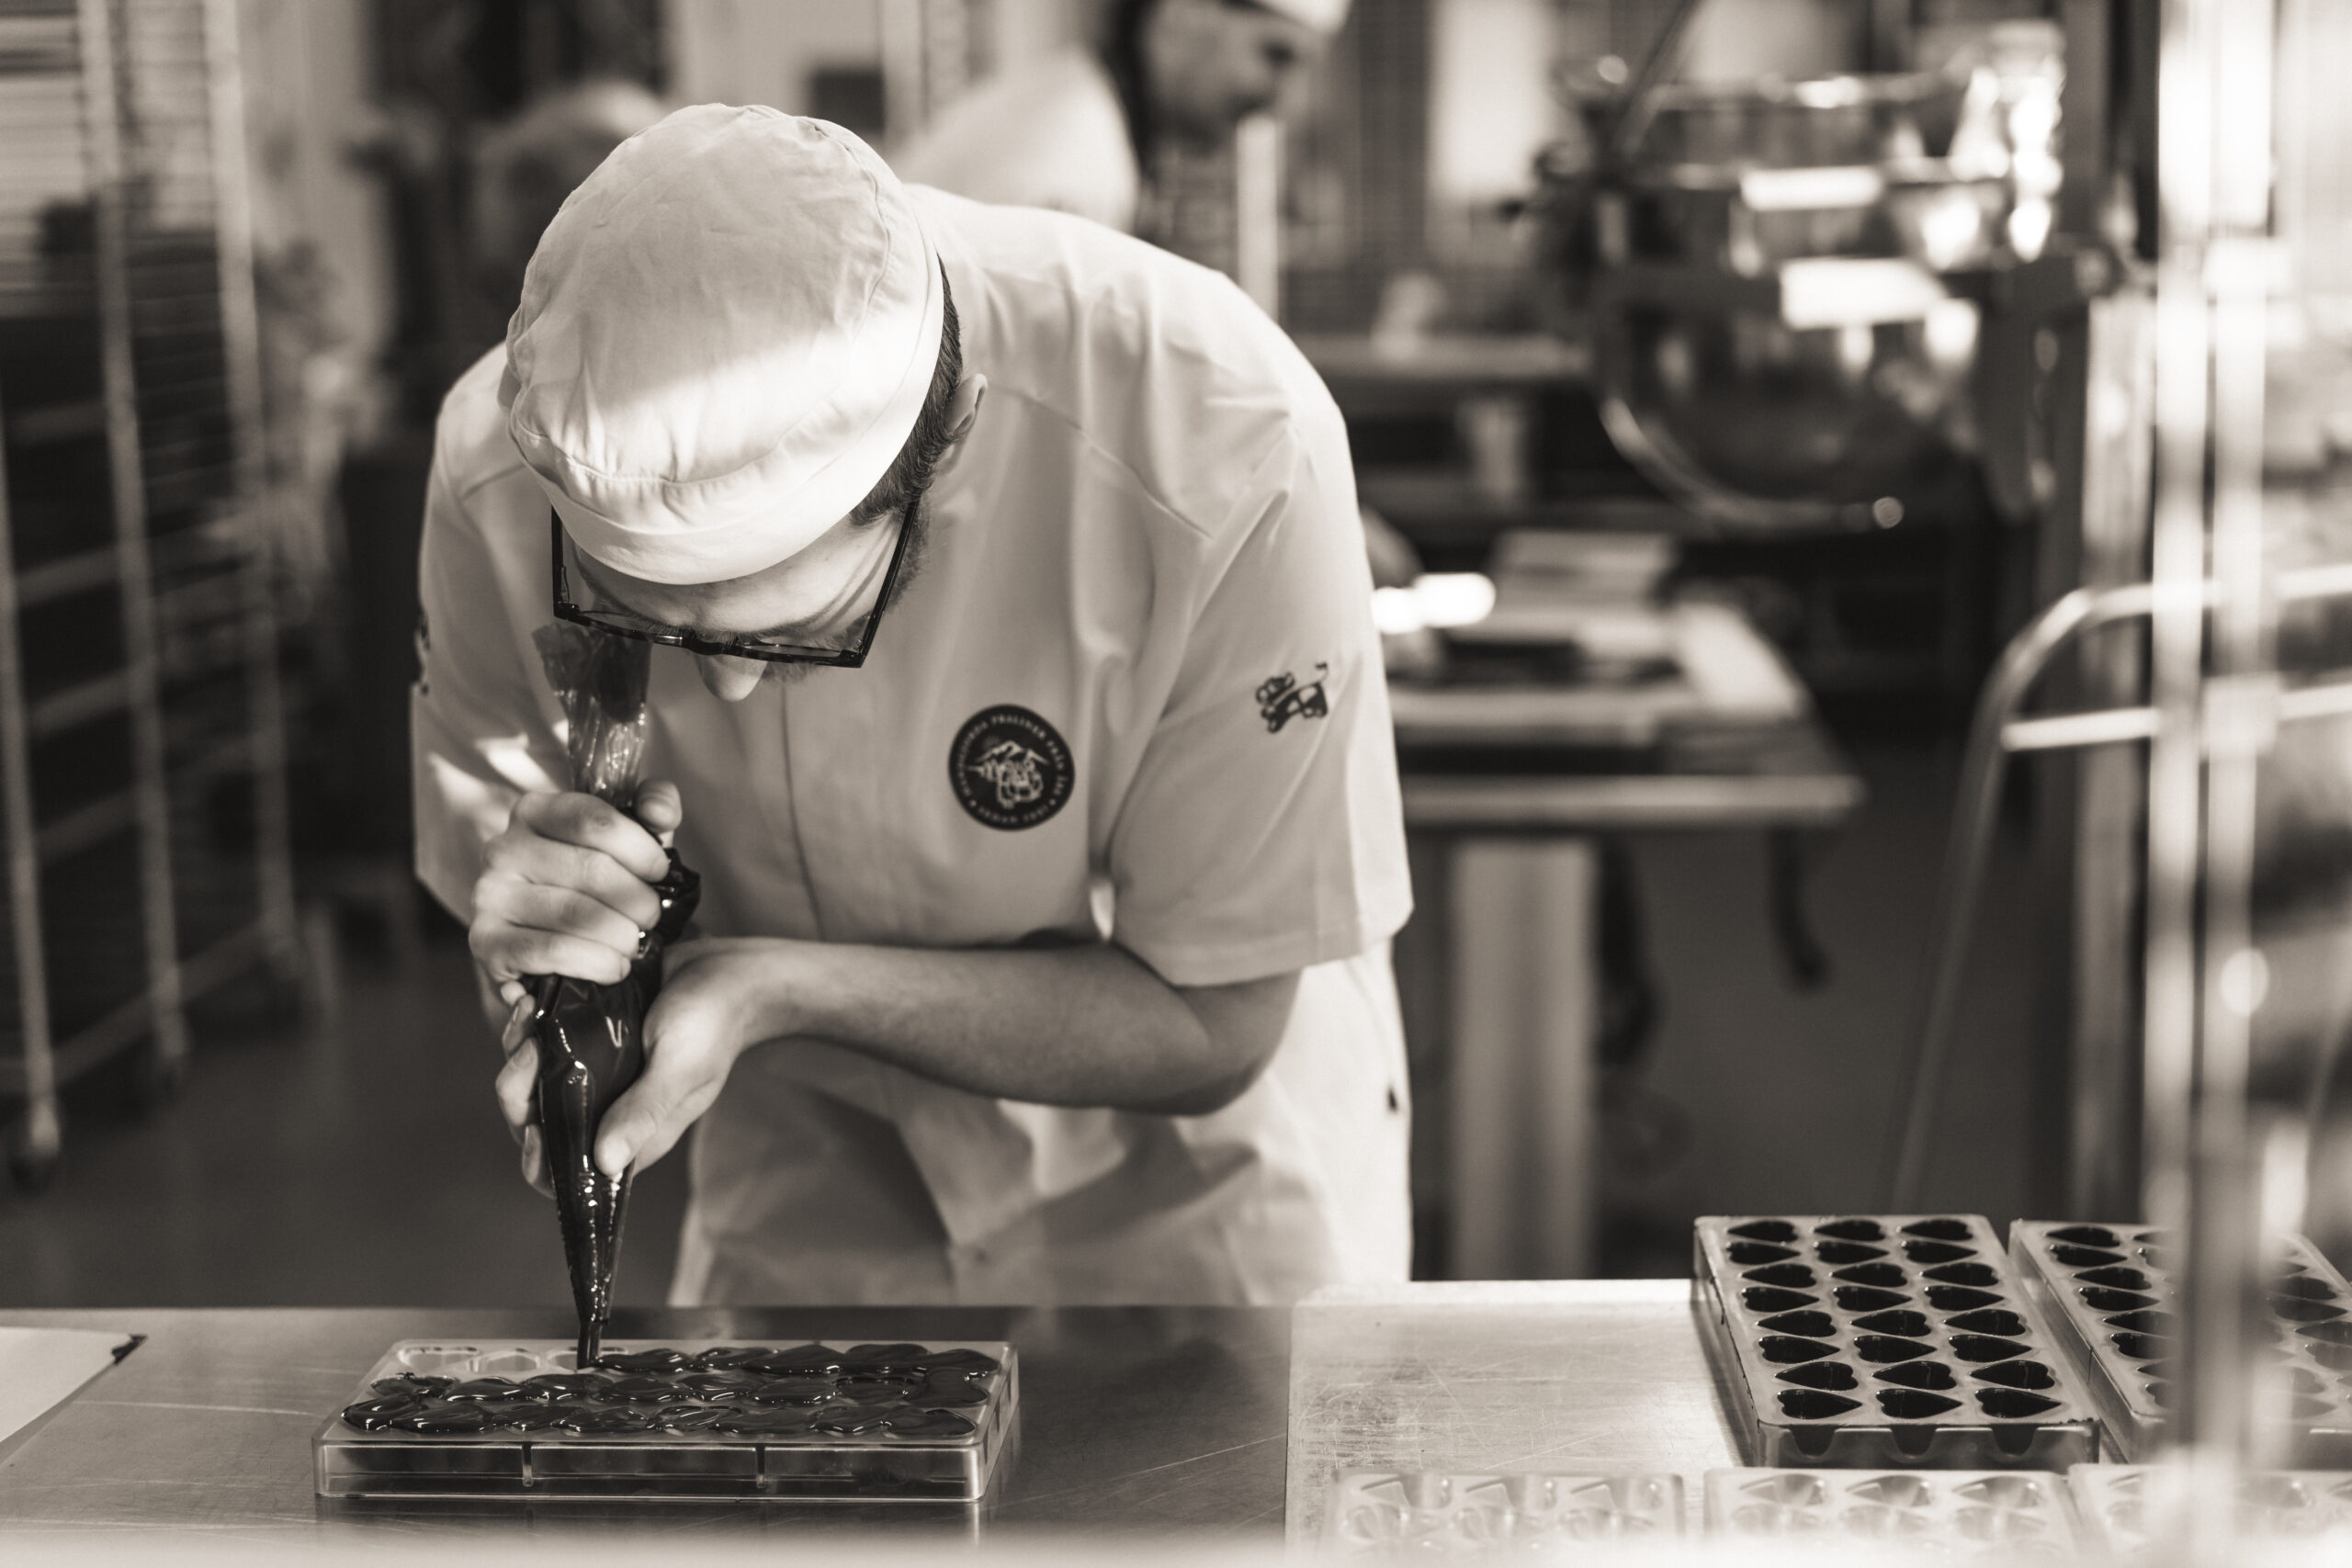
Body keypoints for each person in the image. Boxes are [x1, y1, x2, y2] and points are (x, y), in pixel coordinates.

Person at [413, 104, 1413, 1305]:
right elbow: (512, 901)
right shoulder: (492, 474)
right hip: (812, 1204)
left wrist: (763, 988)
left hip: (1199, 1212)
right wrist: (558, 951)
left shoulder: (1222, 441)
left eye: (796, 633)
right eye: (647, 626)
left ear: (947, 447)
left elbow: (1214, 1022)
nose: (721, 684)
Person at [889, 0, 1350, 236]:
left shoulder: (1078, 105)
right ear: (1183, 12)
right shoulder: (1068, 168)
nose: (1282, 101)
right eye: (1276, 56)